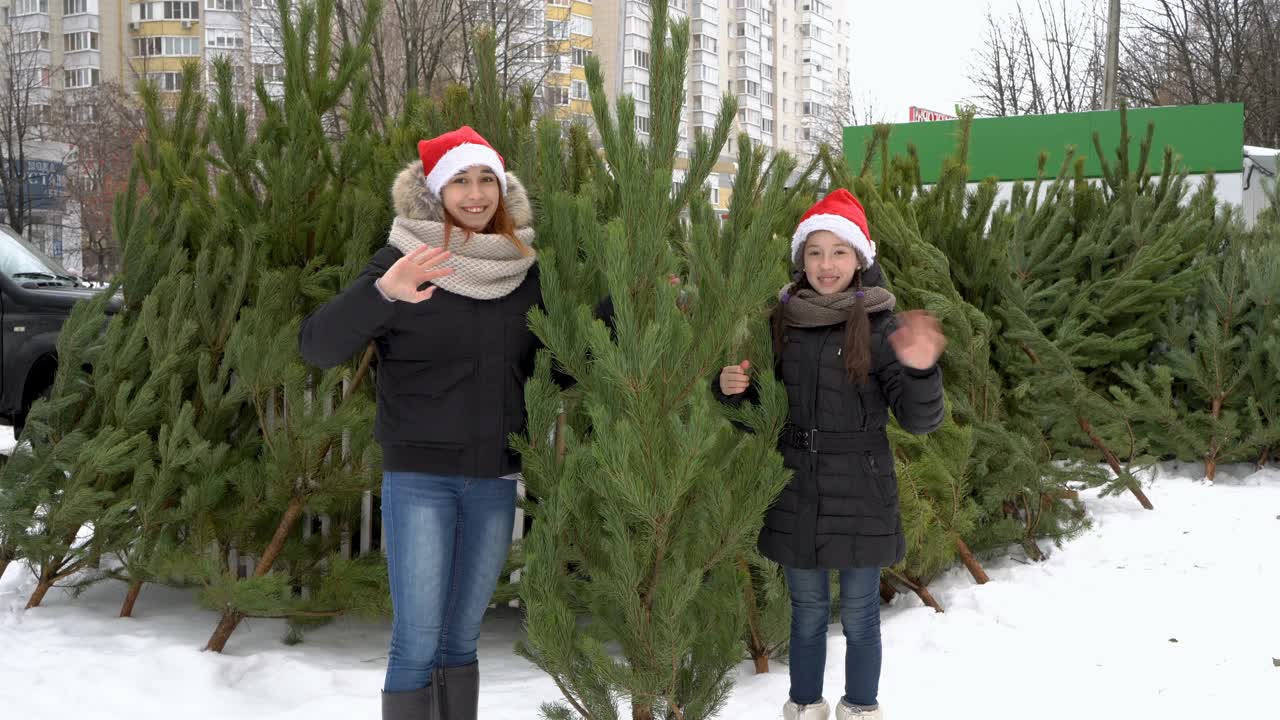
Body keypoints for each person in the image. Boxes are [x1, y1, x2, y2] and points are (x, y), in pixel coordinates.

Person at [298, 127, 546, 720]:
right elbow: (318, 346)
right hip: (421, 480)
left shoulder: (521, 269)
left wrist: (622, 310)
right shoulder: (404, 260)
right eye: (460, 180)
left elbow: (548, 370)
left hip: (493, 478)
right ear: (436, 191)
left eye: (487, 179)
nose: (476, 194)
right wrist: (385, 293)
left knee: (461, 641)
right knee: (417, 640)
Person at [713, 190, 947, 720]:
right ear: (801, 258)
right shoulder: (782, 321)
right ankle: (804, 706)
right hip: (797, 486)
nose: (826, 264)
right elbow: (761, 415)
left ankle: (861, 708)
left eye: (839, 252)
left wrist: (920, 369)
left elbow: (919, 419)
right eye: (815, 252)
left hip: (862, 490)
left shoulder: (884, 326)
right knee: (808, 612)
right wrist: (730, 390)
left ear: (861, 257)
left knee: (862, 614)